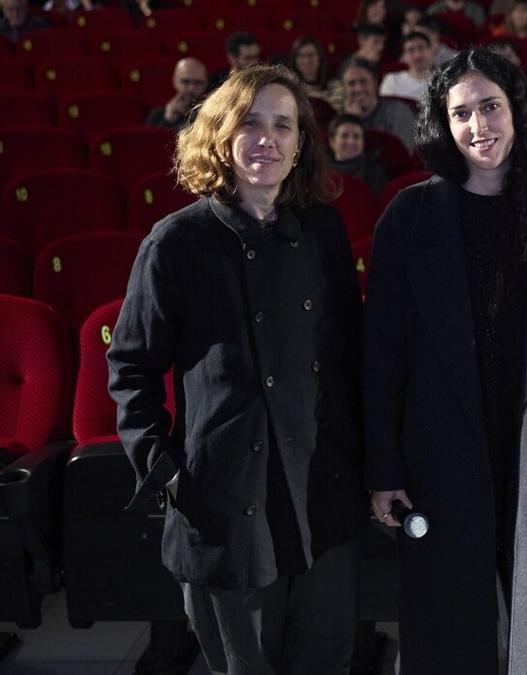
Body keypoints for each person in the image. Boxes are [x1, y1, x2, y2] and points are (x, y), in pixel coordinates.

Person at [364, 47, 527, 675]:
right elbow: (382, 351)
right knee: (448, 613)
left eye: (491, 107)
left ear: (517, 111)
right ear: (443, 125)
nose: (479, 125)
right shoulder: (410, 216)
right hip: (441, 446)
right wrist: (385, 464)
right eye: (462, 114)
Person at [108, 64, 365, 675]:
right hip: (225, 499)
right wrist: (162, 467)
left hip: (321, 490)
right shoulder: (175, 242)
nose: (267, 139)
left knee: (326, 657)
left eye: (284, 125)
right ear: (220, 135)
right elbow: (131, 364)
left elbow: (349, 357)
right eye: (250, 123)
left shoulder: (323, 231)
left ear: (300, 143)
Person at [340, 56, 417, 151]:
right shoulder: (339, 119)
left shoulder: (398, 112)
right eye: (351, 83)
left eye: (363, 82)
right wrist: (351, 120)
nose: (358, 89)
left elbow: (403, 154)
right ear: (344, 89)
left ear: (375, 83)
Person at [327, 113, 387, 195]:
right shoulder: (319, 172)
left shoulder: (375, 174)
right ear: (332, 141)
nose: (351, 142)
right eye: (344, 136)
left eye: (356, 136)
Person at [146, 57, 208, 130]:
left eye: (198, 83)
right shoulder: (157, 116)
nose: (191, 88)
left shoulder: (212, 114)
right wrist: (168, 121)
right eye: (185, 82)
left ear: (206, 84)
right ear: (175, 81)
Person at [380, 31, 435, 100]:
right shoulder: (392, 80)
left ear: (431, 50)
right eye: (411, 50)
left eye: (421, 48)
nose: (417, 55)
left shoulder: (443, 81)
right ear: (404, 56)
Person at [288, 37, 331, 102]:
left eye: (311, 55)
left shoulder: (334, 86)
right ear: (295, 60)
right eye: (301, 56)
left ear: (319, 57)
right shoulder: (289, 88)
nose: (306, 61)